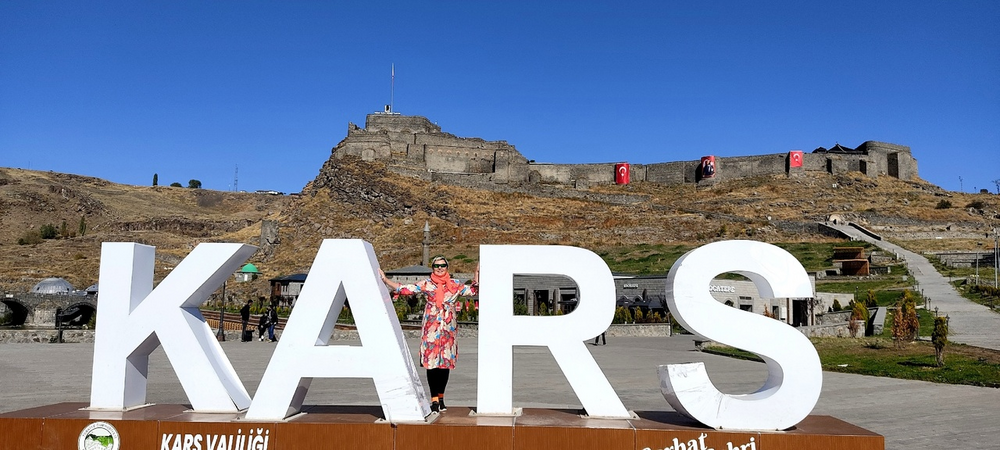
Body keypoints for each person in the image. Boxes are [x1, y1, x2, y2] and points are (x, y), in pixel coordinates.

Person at [380, 256, 478, 413]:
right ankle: (434, 399)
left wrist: (476, 273)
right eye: (436, 266)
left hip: (447, 329)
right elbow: (405, 289)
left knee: (444, 364)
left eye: (443, 265)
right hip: (431, 329)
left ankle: (441, 397)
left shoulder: (455, 284)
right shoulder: (426, 284)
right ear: (432, 268)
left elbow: (473, 291)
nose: (440, 268)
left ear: (447, 267)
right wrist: (386, 280)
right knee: (431, 363)